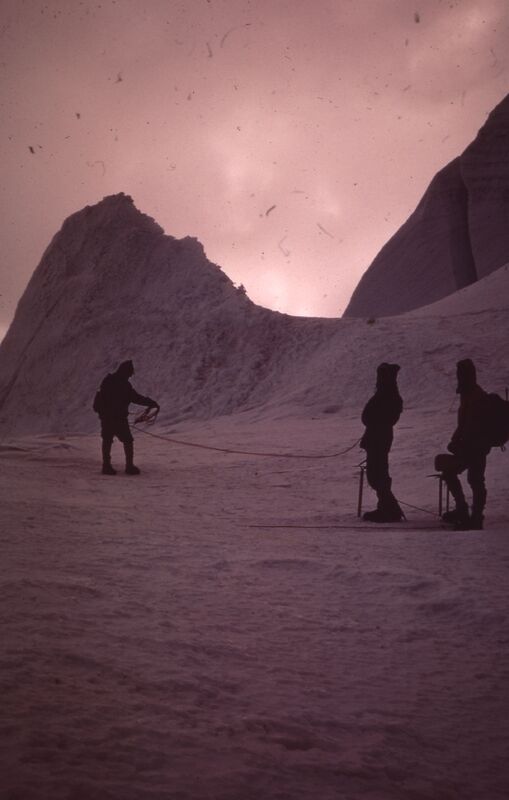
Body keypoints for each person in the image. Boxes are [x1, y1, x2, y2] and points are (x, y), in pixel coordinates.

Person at [435, 358, 490, 530]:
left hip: (476, 447)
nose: (459, 377)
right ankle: (464, 511)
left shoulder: (475, 396)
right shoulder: (469, 394)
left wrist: (459, 443)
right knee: (459, 474)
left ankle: (474, 517)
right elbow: (464, 424)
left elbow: (471, 425)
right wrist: (455, 440)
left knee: (475, 479)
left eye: (461, 374)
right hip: (472, 446)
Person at [94, 360, 159, 475]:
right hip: (118, 419)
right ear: (126, 372)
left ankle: (106, 466)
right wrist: (151, 403)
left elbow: (98, 400)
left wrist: (103, 414)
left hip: (107, 418)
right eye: (130, 373)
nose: (130, 376)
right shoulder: (124, 384)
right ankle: (129, 467)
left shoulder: (108, 381)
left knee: (107, 440)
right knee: (127, 440)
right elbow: (136, 398)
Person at [360, 363, 404, 523]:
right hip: (377, 437)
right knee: (377, 474)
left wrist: (374, 421)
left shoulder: (388, 396)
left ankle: (389, 509)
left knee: (377, 475)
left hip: (379, 438)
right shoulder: (387, 395)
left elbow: (379, 417)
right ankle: (387, 507)